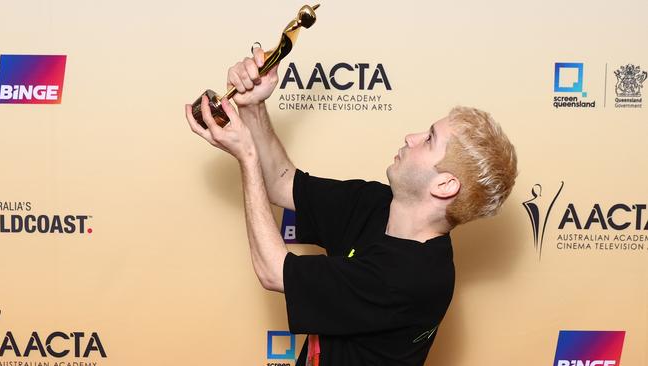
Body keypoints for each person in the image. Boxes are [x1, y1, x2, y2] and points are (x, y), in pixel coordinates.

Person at [185, 48, 518, 366]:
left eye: (429, 139)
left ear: (444, 185)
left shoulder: (413, 279)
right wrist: (253, 108)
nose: (411, 137)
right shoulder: (378, 202)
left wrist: (248, 156)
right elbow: (283, 183)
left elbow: (274, 271)